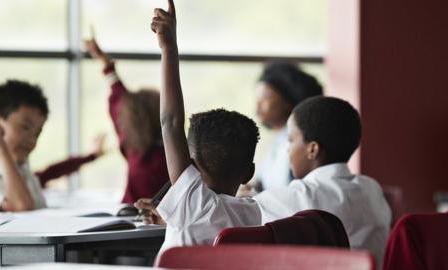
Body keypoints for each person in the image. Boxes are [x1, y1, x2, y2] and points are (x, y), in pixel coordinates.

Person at [134, 0, 261, 254]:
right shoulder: (253, 214)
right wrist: (173, 217)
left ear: (191, 167)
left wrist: (169, 47)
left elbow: (170, 122)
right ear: (249, 173)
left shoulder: (195, 206)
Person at [254, 96, 391, 268]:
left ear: (312, 150)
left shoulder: (301, 195)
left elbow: (236, 212)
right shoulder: (371, 189)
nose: (288, 149)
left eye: (291, 140)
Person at [84, 33, 169, 203]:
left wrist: (106, 64)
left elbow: (119, 100)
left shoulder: (133, 149)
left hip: (131, 215)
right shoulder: (176, 156)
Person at [253, 62, 322, 190]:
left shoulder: (301, 145)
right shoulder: (277, 142)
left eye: (265, 97)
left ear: (287, 101)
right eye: (257, 98)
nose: (257, 106)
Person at [0, 80, 48, 213]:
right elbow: (21, 206)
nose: (32, 140)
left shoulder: (22, 168)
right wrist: (1, 149)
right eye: (24, 127)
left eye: (37, 133)